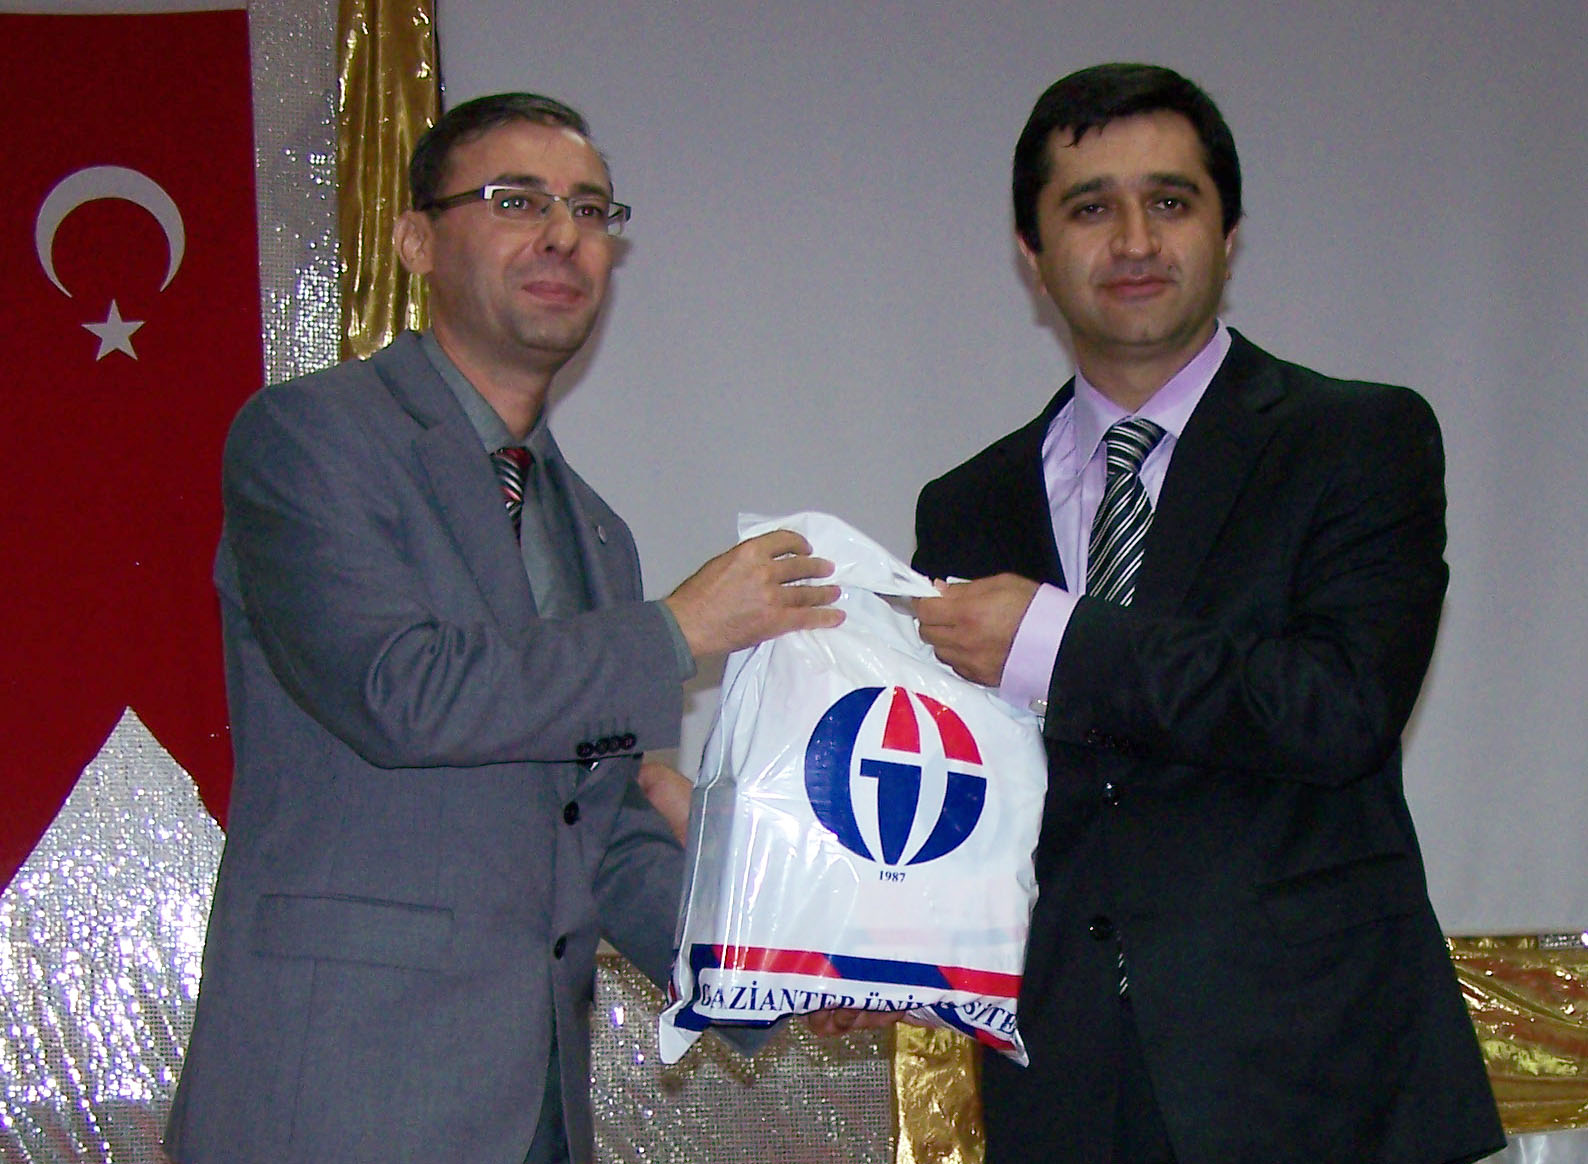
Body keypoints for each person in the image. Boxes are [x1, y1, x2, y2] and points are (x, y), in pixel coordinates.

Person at [163, 92, 841, 1164]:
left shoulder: (597, 533)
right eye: (516, 200)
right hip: (332, 1094)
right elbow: (400, 691)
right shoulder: (307, 436)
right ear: (416, 240)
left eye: (590, 209)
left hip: (532, 1113)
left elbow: (597, 828)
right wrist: (675, 631)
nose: (563, 233)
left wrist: (772, 970)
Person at [911, 64, 1503, 1164]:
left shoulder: (1357, 440)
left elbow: (1337, 708)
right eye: (1090, 208)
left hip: (1320, 1082)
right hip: (1065, 1091)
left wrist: (1056, 641)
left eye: (1171, 202)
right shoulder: (964, 506)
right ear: (1032, 253)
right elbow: (957, 789)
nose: (1135, 240)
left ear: (1228, 234)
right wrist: (838, 922)